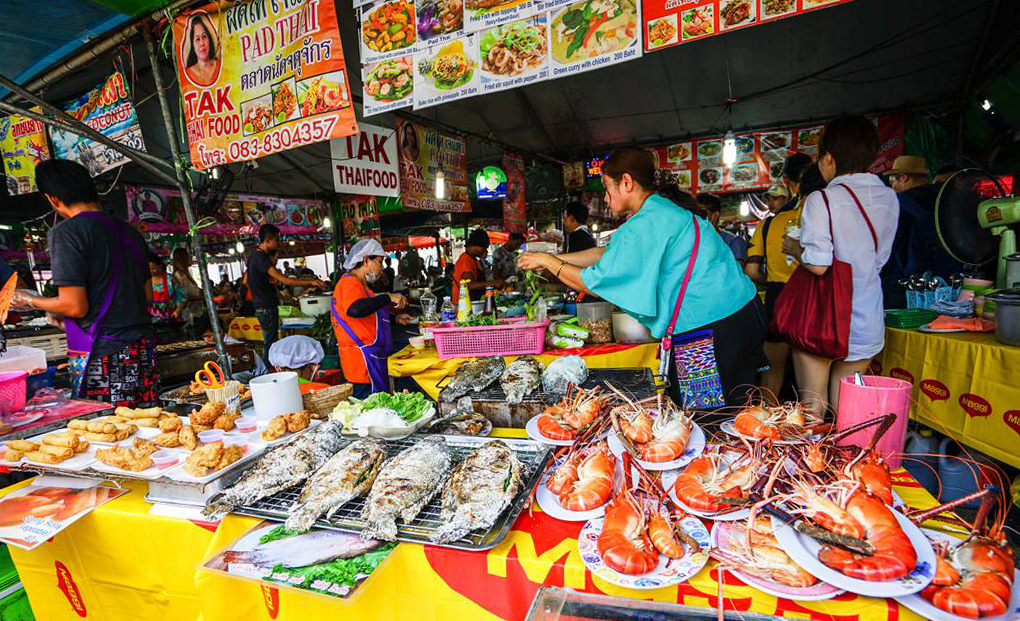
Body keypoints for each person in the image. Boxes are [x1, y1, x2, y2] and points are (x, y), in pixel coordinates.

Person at [519, 147, 765, 409]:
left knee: (707, 418)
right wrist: (553, 259)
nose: (605, 196)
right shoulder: (660, 212)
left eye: (606, 186)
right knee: (737, 411)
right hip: (743, 314)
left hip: (710, 328)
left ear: (626, 182)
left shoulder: (645, 223)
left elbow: (594, 283)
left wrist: (548, 261)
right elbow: (607, 254)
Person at [12, 160, 158, 407]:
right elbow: (146, 298)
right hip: (142, 351)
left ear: (52, 199)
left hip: (105, 357)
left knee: (110, 436)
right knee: (150, 430)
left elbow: (74, 306)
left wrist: (28, 299)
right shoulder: (129, 232)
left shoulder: (68, 232)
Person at [781, 115, 898, 415]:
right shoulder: (889, 198)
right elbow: (880, 259)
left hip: (822, 319)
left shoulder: (823, 199)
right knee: (848, 412)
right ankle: (847, 460)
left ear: (829, 159)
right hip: (865, 318)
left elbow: (819, 265)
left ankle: (814, 461)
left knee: (813, 412)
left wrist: (794, 246)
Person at [745, 170, 825, 401]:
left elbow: (751, 271)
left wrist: (771, 278)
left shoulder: (768, 224)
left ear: (796, 190)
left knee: (773, 369)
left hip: (778, 298)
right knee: (815, 377)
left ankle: (767, 420)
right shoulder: (828, 222)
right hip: (815, 297)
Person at [330, 239, 411, 398]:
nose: (381, 268)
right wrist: (387, 297)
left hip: (372, 360)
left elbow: (368, 315)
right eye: (379, 262)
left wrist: (395, 319)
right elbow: (355, 309)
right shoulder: (348, 282)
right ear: (366, 260)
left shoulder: (363, 287)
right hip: (361, 363)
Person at [881, 155, 964, 307]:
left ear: (904, 177)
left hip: (909, 287)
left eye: (893, 182)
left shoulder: (901, 202)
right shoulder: (952, 199)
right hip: (952, 285)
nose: (893, 188)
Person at [246, 224, 328, 356]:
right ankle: (270, 372)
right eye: (276, 240)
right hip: (266, 307)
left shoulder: (254, 256)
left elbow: (254, 283)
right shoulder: (260, 257)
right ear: (267, 240)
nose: (278, 243)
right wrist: (311, 281)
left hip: (264, 306)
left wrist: (286, 298)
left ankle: (271, 370)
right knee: (271, 344)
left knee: (271, 342)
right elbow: (284, 280)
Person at [452, 229, 504, 306]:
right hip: (463, 306)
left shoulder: (473, 260)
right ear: (476, 246)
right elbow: (470, 285)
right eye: (484, 248)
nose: (484, 251)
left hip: (473, 303)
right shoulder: (466, 260)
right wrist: (493, 283)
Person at [697, 193, 747, 265]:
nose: (697, 218)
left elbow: (737, 271)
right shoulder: (692, 241)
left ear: (715, 215)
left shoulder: (733, 241)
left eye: (701, 214)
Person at [171, 247, 210, 337]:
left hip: (195, 312)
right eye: (188, 255)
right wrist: (205, 297)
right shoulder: (180, 275)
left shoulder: (185, 274)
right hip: (189, 315)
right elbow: (186, 296)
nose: (191, 257)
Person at [184, 13, 220, 87]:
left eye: (204, 37)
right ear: (192, 45)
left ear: (209, 39)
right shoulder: (188, 73)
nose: (201, 43)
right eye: (197, 39)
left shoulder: (221, 66)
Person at [148, 253, 174, 320]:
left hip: (170, 318)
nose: (151, 271)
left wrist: (178, 311)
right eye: (149, 269)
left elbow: (181, 297)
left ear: (160, 265)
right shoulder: (146, 281)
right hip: (151, 319)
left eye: (153, 268)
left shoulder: (170, 279)